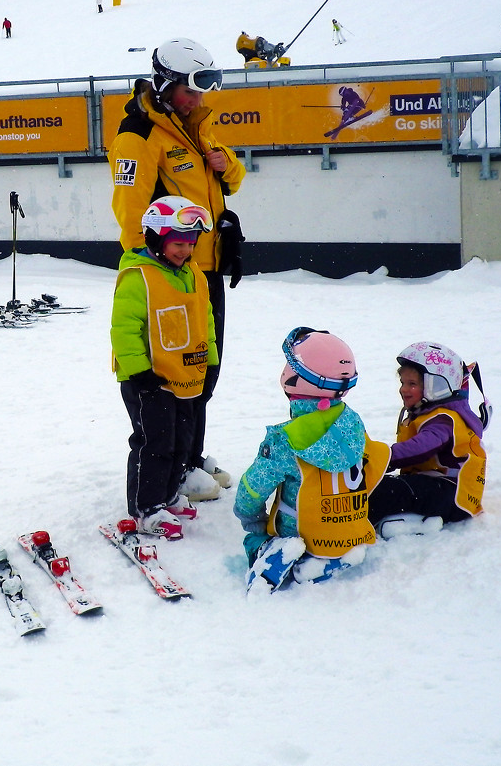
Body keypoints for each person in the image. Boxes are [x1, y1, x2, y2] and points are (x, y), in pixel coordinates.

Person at [108, 37, 247, 500]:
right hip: (166, 274)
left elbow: (233, 178)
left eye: (204, 90)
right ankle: (174, 464)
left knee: (203, 368)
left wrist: (225, 163)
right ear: (166, 85)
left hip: (201, 271)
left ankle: (190, 455)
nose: (199, 99)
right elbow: (131, 214)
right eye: (192, 90)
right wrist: (145, 271)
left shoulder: (194, 125)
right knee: (169, 374)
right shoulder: (140, 135)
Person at [234, 328, 391, 593]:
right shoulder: (352, 423)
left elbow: (253, 486)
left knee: (255, 537)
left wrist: (249, 516)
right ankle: (339, 554)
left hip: (302, 533)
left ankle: (271, 551)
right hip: (350, 527)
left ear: (295, 378)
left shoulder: (286, 441)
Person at [111, 196, 219, 540]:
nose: (185, 251)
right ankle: (146, 508)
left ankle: (169, 494)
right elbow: (123, 330)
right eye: (177, 243)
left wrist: (211, 361)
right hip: (149, 380)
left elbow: (206, 322)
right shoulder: (137, 277)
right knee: (154, 443)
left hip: (185, 375)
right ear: (155, 238)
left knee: (180, 442)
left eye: (190, 244)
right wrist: (139, 372)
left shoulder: (193, 275)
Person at [368, 342, 490, 539]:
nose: (403, 389)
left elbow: (421, 448)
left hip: (452, 496)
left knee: (386, 492)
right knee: (380, 485)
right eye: (402, 382)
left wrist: (383, 458)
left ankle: (367, 520)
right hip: (433, 485)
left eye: (412, 384)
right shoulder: (427, 413)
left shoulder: (444, 419)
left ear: (437, 387)